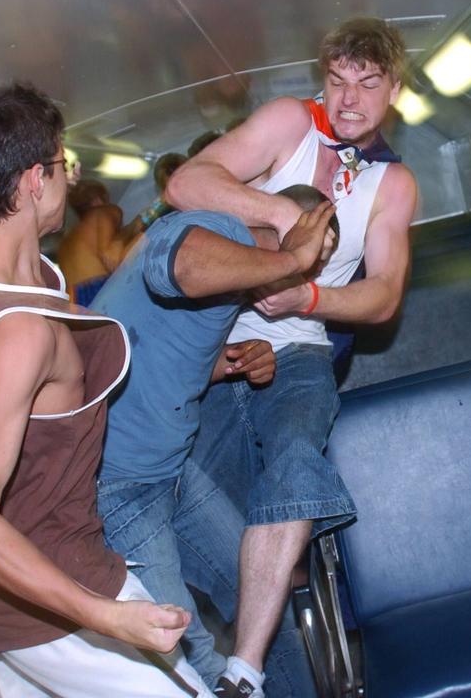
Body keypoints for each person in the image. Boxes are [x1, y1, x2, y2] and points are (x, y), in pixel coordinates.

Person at [0, 82, 207, 698]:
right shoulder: (16, 337)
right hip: (44, 593)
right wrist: (104, 616)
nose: (68, 179)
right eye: (61, 164)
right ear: (28, 184)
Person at [166, 17, 418, 698]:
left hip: (302, 347)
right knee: (180, 485)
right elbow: (187, 184)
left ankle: (243, 672)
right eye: (337, 80)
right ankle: (216, 635)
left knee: (298, 451)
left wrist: (305, 296)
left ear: (393, 88)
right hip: (217, 340)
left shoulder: (392, 186)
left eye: (367, 83)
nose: (348, 99)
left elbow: (384, 296)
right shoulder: (288, 123)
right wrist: (278, 219)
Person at [92, 186, 335, 697]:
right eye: (315, 257)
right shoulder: (210, 231)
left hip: (175, 470)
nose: (309, 275)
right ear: (287, 224)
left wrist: (230, 363)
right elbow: (179, 263)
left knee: (262, 612)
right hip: (119, 481)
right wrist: (290, 257)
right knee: (186, 655)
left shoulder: (238, 283)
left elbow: (164, 352)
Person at [57, 179, 124, 306]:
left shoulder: (67, 239)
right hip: (98, 288)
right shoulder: (105, 211)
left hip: (73, 299)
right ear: (99, 199)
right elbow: (108, 254)